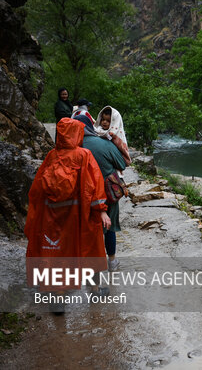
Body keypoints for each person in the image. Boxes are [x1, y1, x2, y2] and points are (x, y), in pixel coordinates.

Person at [24, 118, 111, 314]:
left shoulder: (51, 156)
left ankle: (58, 298)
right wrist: (102, 210)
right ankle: (95, 290)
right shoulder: (84, 155)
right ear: (76, 134)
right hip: (79, 216)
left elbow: (36, 190)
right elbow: (94, 186)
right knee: (92, 249)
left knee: (56, 254)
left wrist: (37, 215)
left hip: (52, 217)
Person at [73, 114, 126, 272]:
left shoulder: (73, 147)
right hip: (107, 192)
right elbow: (122, 163)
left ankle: (87, 265)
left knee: (87, 229)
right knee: (109, 227)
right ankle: (112, 262)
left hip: (83, 194)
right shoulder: (103, 143)